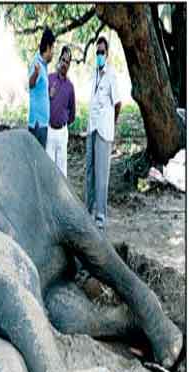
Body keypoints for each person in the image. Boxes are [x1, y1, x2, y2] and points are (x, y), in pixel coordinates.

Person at [85, 36, 121, 233]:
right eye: (97, 52)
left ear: (107, 54)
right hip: (91, 127)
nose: (99, 55)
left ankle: (100, 216)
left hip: (104, 131)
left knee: (101, 175)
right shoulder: (95, 75)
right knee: (89, 171)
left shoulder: (111, 75)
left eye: (102, 52)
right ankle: (87, 211)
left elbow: (118, 104)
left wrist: (111, 123)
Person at [45, 46, 76, 178]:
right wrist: (48, 95)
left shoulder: (70, 87)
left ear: (69, 65)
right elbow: (41, 102)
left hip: (62, 133)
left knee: (62, 171)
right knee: (49, 169)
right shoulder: (49, 79)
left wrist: (63, 121)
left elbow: (72, 113)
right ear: (59, 60)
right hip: (50, 131)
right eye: (63, 60)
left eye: (67, 62)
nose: (64, 64)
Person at [28, 28, 55, 148]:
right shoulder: (37, 63)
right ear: (48, 47)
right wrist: (35, 73)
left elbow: (38, 92)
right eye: (53, 48)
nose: (53, 53)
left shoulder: (44, 66)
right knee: (36, 162)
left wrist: (49, 95)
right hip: (38, 124)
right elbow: (31, 84)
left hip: (43, 123)